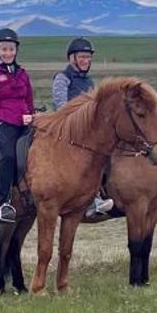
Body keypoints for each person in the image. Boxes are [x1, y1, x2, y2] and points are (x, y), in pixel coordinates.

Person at [52, 37, 114, 220]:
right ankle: (89, 200)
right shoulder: (62, 79)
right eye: (82, 57)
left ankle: (103, 194)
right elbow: (61, 106)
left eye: (88, 57)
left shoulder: (89, 82)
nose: (86, 61)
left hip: (88, 131)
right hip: (68, 128)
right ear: (72, 58)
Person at [0, 27, 34, 223]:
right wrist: (17, 118)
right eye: (4, 49)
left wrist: (31, 115)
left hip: (23, 120)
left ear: (16, 50)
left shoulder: (22, 74)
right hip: (0, 123)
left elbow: (29, 100)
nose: (8, 53)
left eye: (11, 49)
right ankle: (4, 203)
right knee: (10, 153)